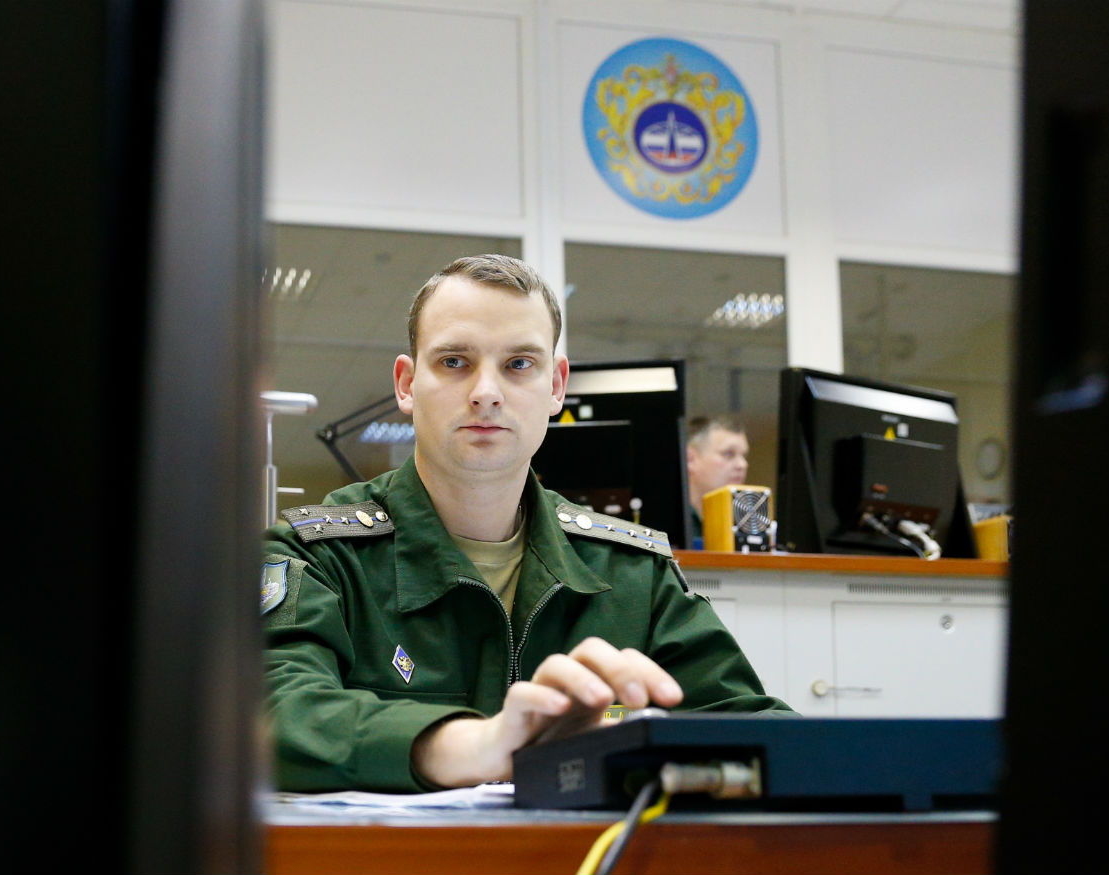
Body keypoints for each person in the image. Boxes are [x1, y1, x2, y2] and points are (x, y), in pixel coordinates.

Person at [262, 255, 790, 793]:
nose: (486, 391)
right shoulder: (319, 557)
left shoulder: (634, 573)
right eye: (453, 362)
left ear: (557, 386)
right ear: (406, 384)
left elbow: (760, 729)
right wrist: (469, 746)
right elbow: (264, 712)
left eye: (518, 364)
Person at [685, 414, 751, 546]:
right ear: (690, 459)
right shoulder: (666, 525)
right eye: (728, 454)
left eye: (744, 456)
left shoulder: (746, 523)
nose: (742, 465)